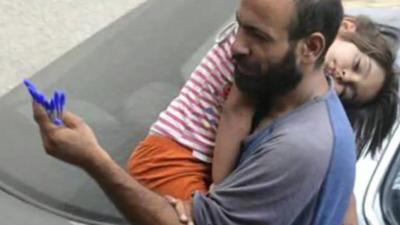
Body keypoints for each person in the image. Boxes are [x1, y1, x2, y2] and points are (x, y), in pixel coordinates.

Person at [33, 0, 357, 224]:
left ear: (311, 48)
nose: (235, 47)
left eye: (258, 35)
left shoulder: (301, 146)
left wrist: (94, 160)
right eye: (240, 26)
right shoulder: (293, 104)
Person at [127, 14, 398, 199]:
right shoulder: (276, 49)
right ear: (346, 27)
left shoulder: (291, 63)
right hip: (172, 157)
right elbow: (237, 112)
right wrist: (221, 190)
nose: (343, 77)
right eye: (357, 66)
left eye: (348, 91)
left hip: (191, 161)